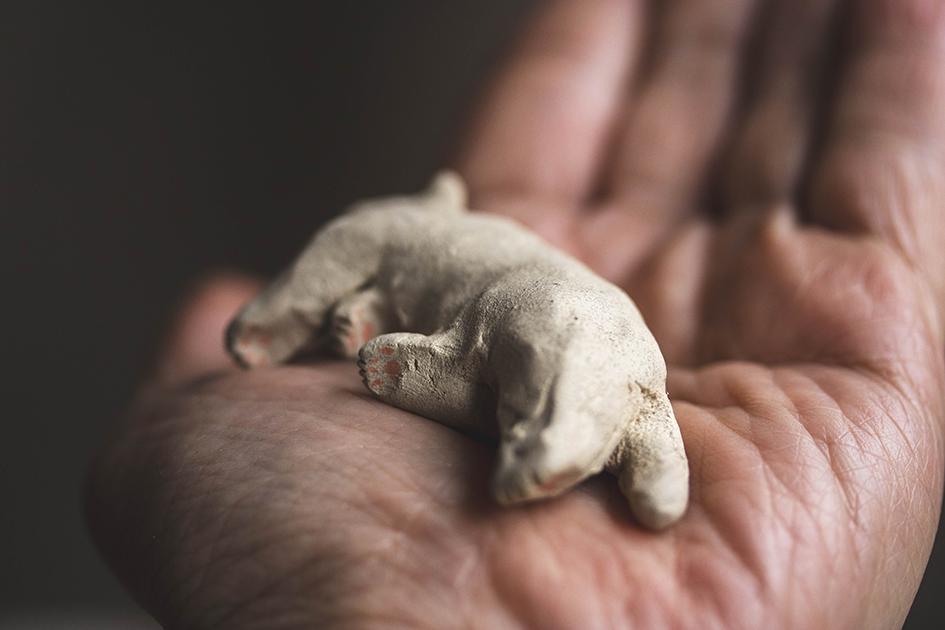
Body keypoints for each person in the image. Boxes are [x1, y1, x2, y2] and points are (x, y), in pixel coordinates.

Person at [85, 1, 945, 627]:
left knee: (596, 414)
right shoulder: (403, 237)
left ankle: (529, 409)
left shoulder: (601, 357)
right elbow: (405, 362)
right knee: (575, 400)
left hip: (560, 317)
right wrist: (283, 327)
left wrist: (377, 357)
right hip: (506, 287)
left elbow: (409, 368)